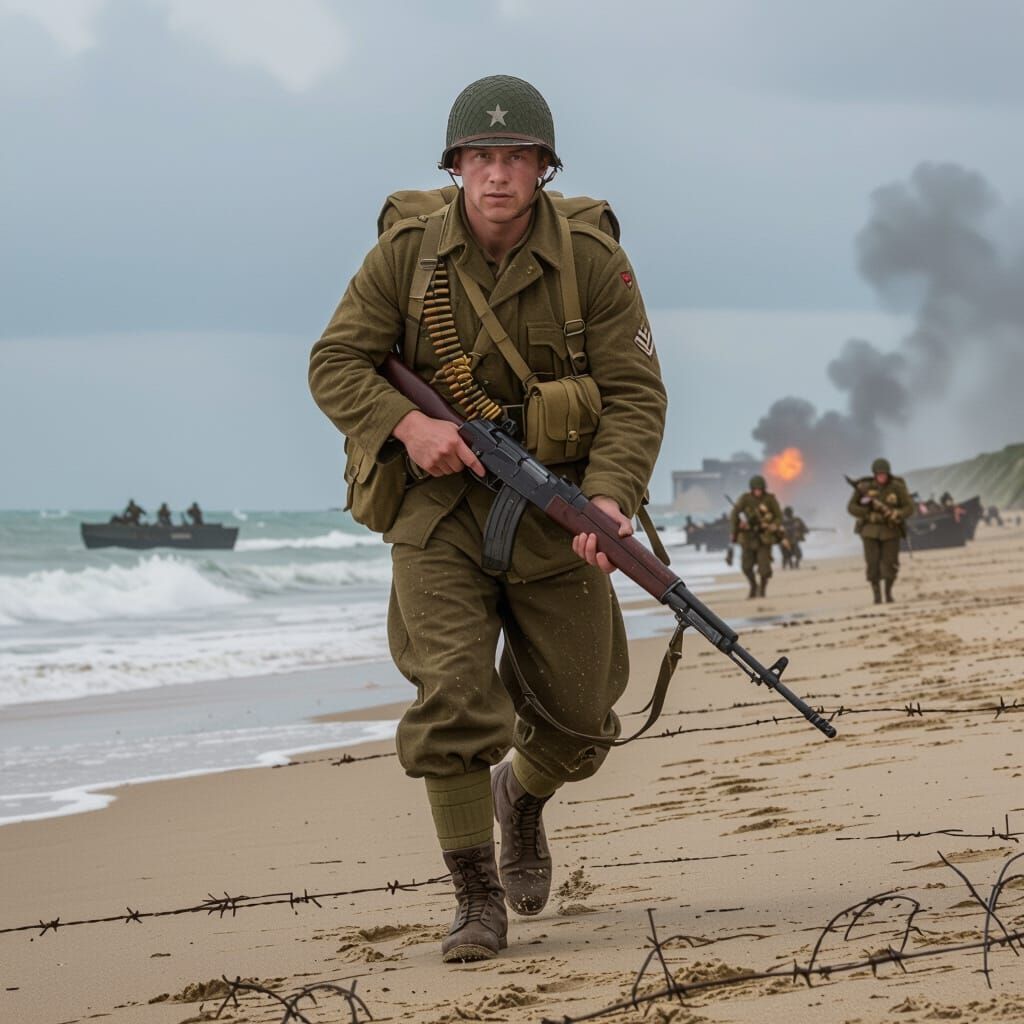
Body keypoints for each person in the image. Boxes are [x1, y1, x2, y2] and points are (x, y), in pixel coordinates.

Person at [308, 75, 666, 963]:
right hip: (436, 513)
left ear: (543, 168)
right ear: (456, 165)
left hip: (554, 509)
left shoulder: (592, 260)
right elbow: (335, 363)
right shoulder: (405, 256)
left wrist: (612, 497)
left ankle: (524, 799)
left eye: (516, 157)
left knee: (584, 723)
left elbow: (633, 396)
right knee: (456, 696)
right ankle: (474, 896)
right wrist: (409, 423)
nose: (497, 174)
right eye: (480, 157)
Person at [846, 457, 914, 604]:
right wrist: (867, 513)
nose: (881, 476)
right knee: (872, 564)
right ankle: (876, 595)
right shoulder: (864, 487)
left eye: (884, 474)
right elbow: (851, 507)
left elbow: (909, 507)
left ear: (888, 474)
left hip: (890, 531)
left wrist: (898, 514)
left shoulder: (897, 487)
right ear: (874, 474)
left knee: (890, 564)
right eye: (879, 474)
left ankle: (888, 593)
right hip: (869, 531)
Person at [729, 476, 785, 598]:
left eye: (760, 489)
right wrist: (737, 527)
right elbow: (734, 515)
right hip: (748, 538)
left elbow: (779, 516)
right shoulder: (745, 499)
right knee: (746, 567)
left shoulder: (770, 499)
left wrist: (773, 525)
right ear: (752, 489)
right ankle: (754, 586)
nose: (758, 491)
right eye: (756, 489)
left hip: (764, 539)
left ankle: (762, 589)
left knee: (764, 569)